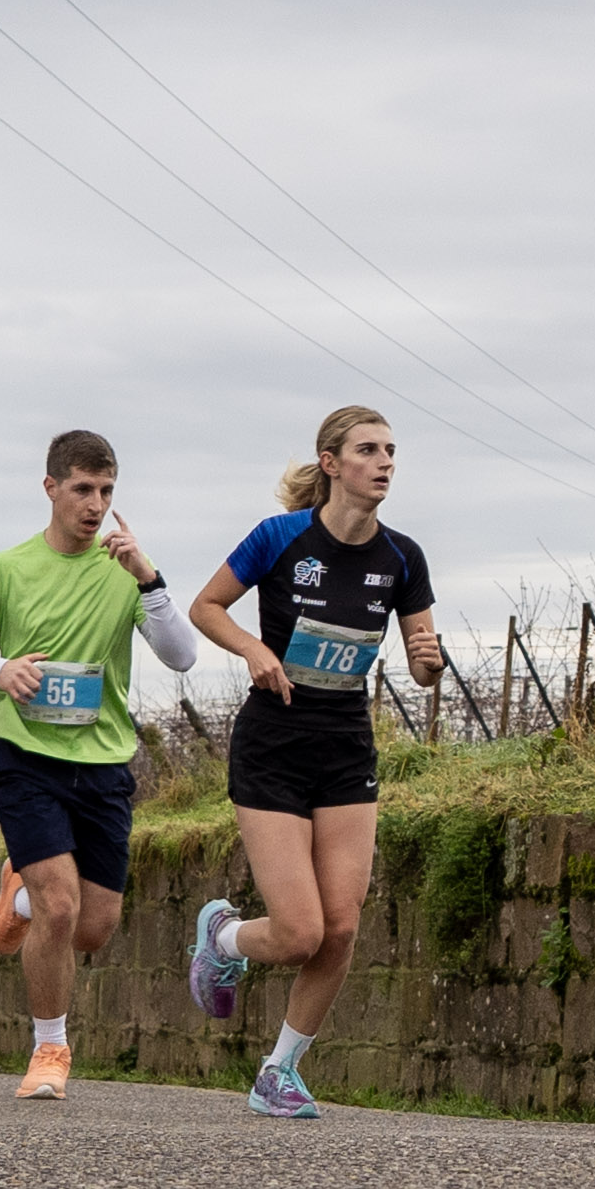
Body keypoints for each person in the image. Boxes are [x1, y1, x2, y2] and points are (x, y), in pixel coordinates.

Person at [0, 432, 209, 1101]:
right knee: (60, 907)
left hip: (104, 763)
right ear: (50, 487)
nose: (95, 505)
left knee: (92, 927)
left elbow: (183, 656)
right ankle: (49, 1049)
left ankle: (16, 893)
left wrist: (149, 579)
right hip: (25, 758)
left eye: (106, 491)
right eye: (83, 489)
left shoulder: (125, 570)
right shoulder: (7, 570)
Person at [183, 405, 445, 1121]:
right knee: (300, 932)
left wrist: (430, 661)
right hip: (273, 746)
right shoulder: (279, 538)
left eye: (391, 450)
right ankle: (223, 938)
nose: (385, 462)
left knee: (342, 927)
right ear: (331, 463)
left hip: (345, 747)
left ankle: (280, 1070)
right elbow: (207, 607)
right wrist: (254, 650)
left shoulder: (402, 557)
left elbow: (424, 665)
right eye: (369, 450)